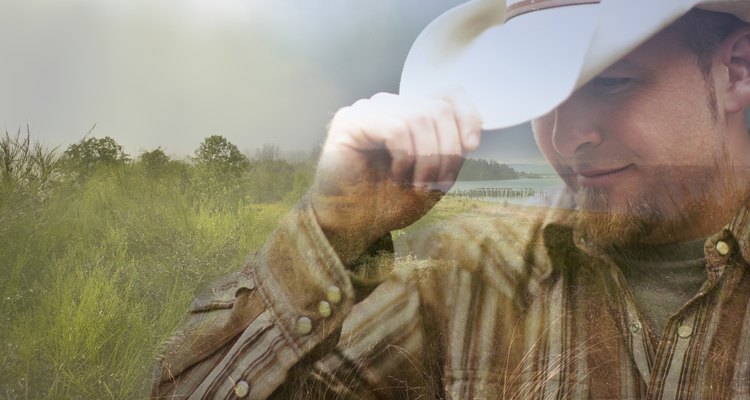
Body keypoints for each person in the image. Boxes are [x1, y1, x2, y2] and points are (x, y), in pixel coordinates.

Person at [152, 0, 750, 398]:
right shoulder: (461, 274)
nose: (567, 139)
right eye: (541, 97)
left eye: (611, 83)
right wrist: (333, 227)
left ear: (737, 71)